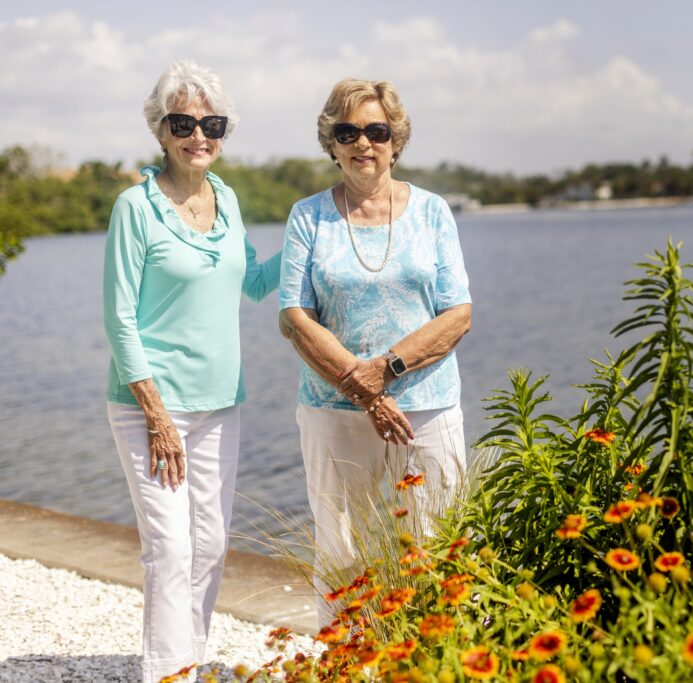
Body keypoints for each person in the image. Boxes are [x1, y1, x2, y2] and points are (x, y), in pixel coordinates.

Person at [103, 60, 281, 683]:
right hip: (150, 405)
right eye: (183, 122)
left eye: (211, 123)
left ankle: (190, 664)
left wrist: (316, 233)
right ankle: (164, 674)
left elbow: (256, 284)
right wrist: (155, 415)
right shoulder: (135, 207)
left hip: (220, 401)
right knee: (171, 549)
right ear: (160, 130)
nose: (198, 134)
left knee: (209, 547)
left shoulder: (227, 198)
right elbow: (120, 319)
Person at [278, 78, 472, 623]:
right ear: (332, 143)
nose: (363, 143)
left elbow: (458, 314)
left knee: (434, 546)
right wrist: (361, 390)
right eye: (348, 131)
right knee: (341, 554)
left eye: (376, 131)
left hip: (426, 410)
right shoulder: (307, 216)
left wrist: (385, 371)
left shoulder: (433, 211)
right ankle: (346, 666)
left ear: (396, 139)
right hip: (331, 412)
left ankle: (435, 662)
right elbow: (294, 315)